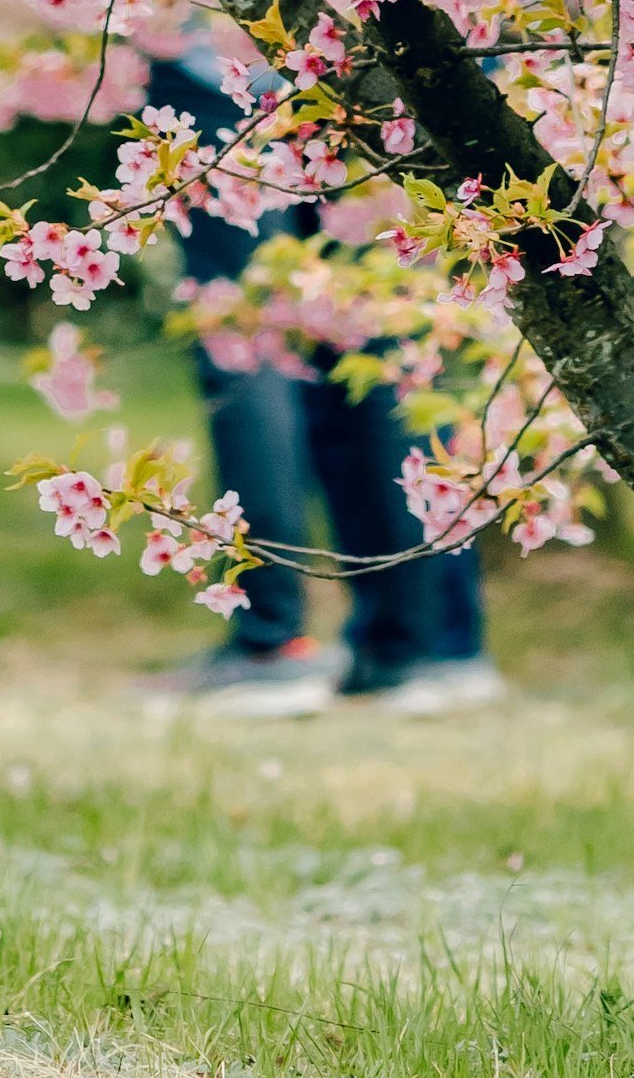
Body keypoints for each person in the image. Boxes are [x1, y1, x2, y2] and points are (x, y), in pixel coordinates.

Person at [144, 50, 498, 715]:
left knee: (246, 336)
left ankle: (274, 645)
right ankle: (414, 647)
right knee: (379, 334)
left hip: (214, 59)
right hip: (356, 53)